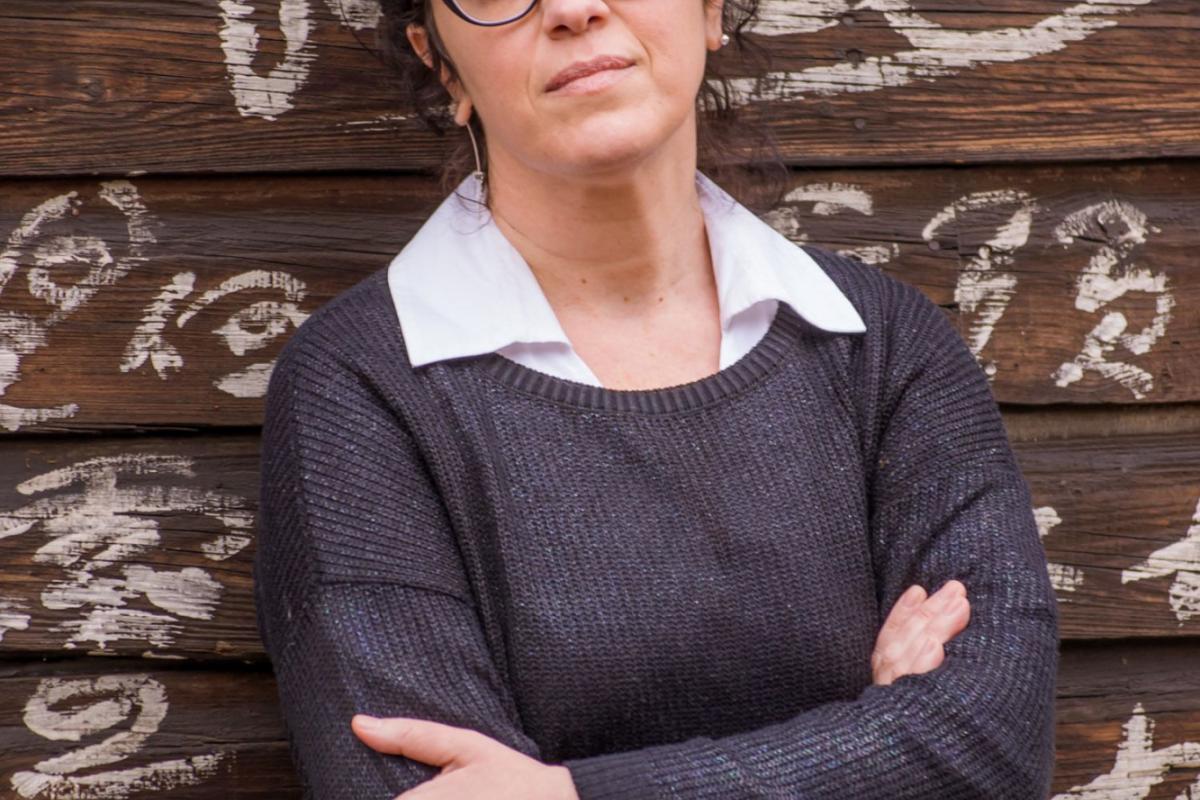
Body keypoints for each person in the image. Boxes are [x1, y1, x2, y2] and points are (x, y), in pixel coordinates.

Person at [251, 0, 1060, 796]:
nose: (572, 9)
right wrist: (878, 747)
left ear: (710, 10)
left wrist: (570, 793)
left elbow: (989, 744)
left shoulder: (880, 341)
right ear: (442, 64)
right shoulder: (360, 390)